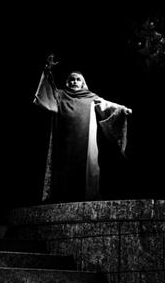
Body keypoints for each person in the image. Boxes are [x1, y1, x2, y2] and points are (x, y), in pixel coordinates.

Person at [33, 54, 133, 202]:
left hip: (84, 141)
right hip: (64, 141)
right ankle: (61, 199)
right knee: (62, 169)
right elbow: (44, 94)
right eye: (71, 79)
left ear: (83, 83)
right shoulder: (60, 95)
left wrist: (122, 109)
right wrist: (48, 69)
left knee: (86, 170)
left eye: (77, 79)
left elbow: (107, 105)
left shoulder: (90, 97)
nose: (74, 81)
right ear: (67, 82)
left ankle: (85, 198)